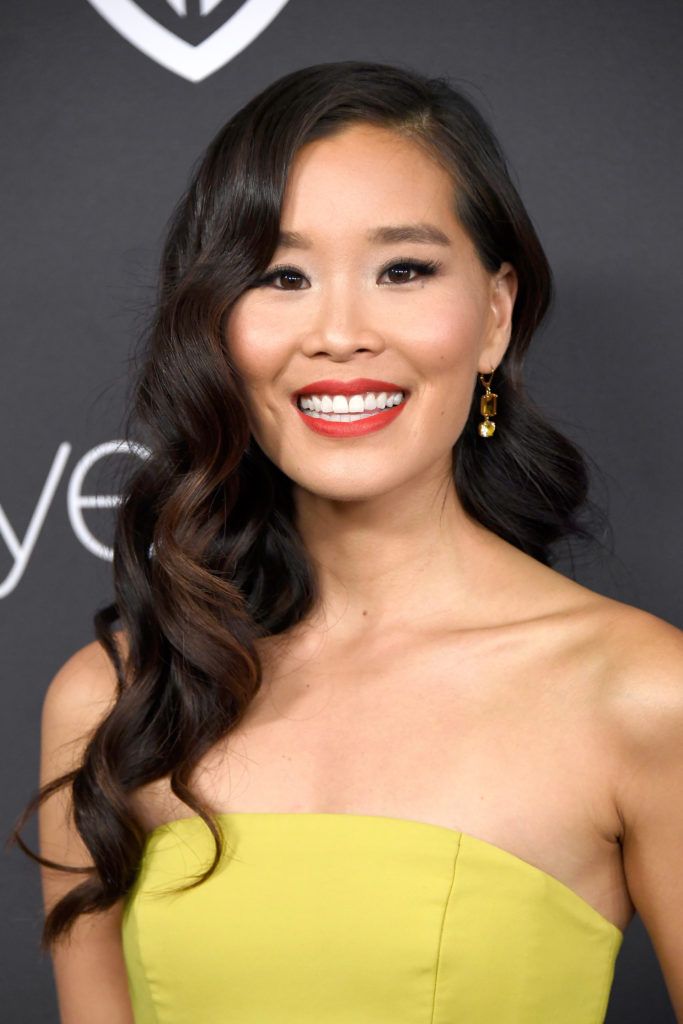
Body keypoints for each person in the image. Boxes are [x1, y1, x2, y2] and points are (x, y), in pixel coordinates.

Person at [12, 60, 683, 1023]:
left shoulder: (639, 695)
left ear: (494, 314)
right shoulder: (118, 697)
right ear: (217, 325)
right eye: (280, 275)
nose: (338, 332)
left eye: (402, 270)